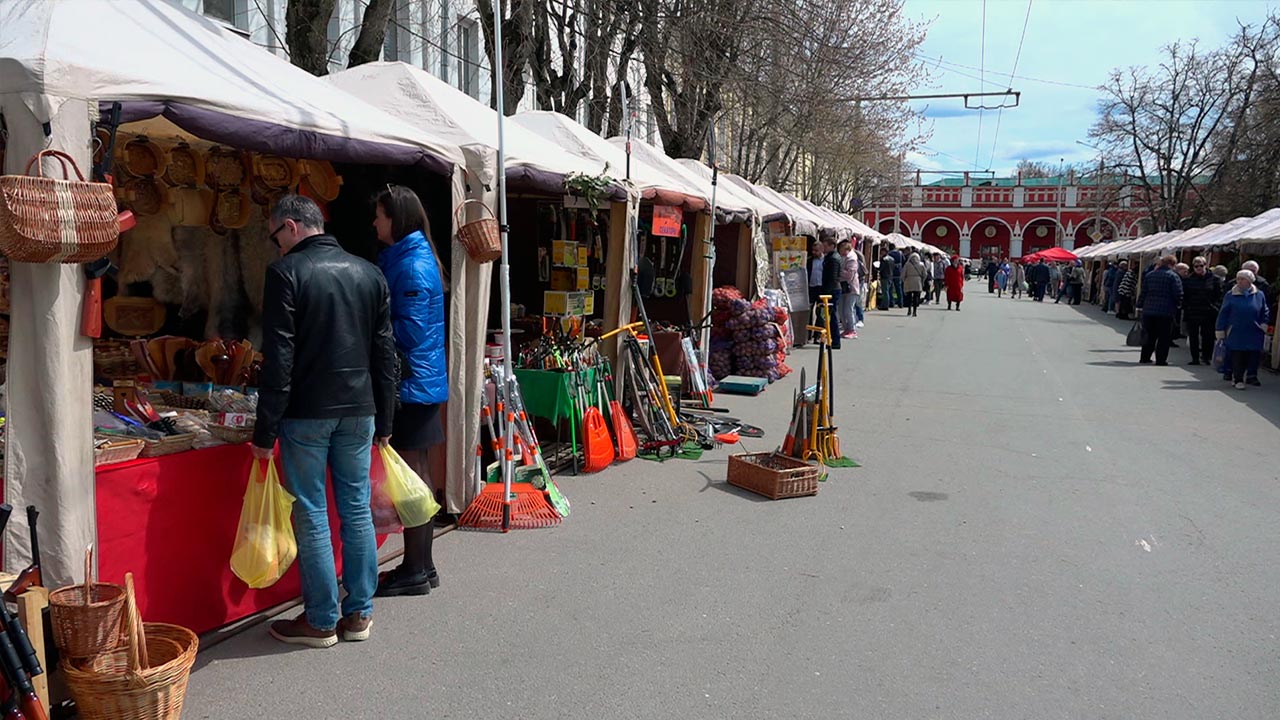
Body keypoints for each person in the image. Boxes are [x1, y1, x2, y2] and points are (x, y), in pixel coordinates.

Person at [254, 195, 397, 647]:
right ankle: (358, 614)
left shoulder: (286, 273)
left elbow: (279, 357)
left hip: (307, 412)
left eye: (275, 236)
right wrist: (387, 417)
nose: (275, 246)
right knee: (354, 509)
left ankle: (320, 619)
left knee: (312, 512)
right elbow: (385, 353)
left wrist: (265, 429)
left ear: (292, 227)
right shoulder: (368, 272)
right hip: (359, 409)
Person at [373, 186, 448, 597]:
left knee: (413, 477)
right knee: (415, 473)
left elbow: (411, 331)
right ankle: (420, 566)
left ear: (396, 219)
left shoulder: (414, 265)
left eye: (380, 216)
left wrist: (370, 329)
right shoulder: (407, 258)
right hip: (418, 381)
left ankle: (416, 569)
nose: (374, 223)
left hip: (412, 385)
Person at [1217, 269, 1270, 388]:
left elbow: (1264, 310)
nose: (1239, 281)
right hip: (1236, 330)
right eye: (1238, 279)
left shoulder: (1259, 294)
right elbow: (1223, 313)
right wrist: (1220, 329)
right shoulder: (1231, 295)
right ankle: (1238, 379)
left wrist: (1264, 323)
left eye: (1242, 279)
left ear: (1250, 281)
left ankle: (1251, 376)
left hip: (1254, 330)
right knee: (1237, 354)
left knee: (1252, 354)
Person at [1136, 255, 1183, 366]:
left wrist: (1140, 305)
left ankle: (1145, 357)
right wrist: (1178, 305)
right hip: (1166, 311)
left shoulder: (1150, 275)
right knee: (1164, 337)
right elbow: (1178, 293)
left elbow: (1144, 292)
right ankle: (1161, 360)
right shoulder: (1173, 276)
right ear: (1172, 264)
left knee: (1149, 335)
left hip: (1149, 310)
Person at [1181, 256, 1223, 366]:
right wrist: (1186, 306)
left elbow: (1219, 295)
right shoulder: (1189, 279)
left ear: (1205, 265)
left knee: (1208, 335)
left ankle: (1206, 357)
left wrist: (1214, 307)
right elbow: (1184, 295)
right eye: (1196, 266)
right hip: (1193, 311)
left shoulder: (1214, 279)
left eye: (1201, 265)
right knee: (1193, 336)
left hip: (1208, 312)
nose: (1198, 268)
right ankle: (1195, 358)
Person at [820, 239, 843, 348]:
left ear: (832, 246)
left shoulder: (833, 259)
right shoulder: (831, 257)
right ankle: (832, 338)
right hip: (832, 289)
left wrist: (826, 292)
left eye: (825, 246)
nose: (823, 248)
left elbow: (833, 278)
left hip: (832, 290)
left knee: (832, 315)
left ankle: (835, 340)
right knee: (831, 315)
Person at [837, 241, 861, 338]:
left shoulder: (851, 259)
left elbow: (850, 275)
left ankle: (852, 329)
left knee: (848, 309)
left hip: (851, 287)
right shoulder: (844, 257)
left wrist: (838, 271)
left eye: (841, 249)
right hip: (844, 286)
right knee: (842, 309)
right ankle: (846, 328)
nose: (839, 251)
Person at [807, 240, 825, 339]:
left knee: (820, 312)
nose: (814, 252)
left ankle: (818, 335)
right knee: (809, 311)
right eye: (813, 250)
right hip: (811, 288)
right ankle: (808, 334)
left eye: (816, 250)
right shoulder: (809, 261)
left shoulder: (825, 261)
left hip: (821, 288)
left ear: (822, 250)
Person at [901, 251, 927, 317]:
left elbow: (903, 274)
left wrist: (904, 280)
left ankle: (909, 310)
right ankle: (915, 311)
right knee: (916, 297)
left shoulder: (907, 264)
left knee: (909, 297)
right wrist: (922, 280)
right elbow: (925, 274)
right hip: (917, 281)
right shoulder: (921, 264)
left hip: (909, 281)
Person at [888, 243, 905, 308]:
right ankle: (901, 303)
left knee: (890, 289)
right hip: (899, 272)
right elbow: (903, 261)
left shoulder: (889, 254)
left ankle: (891, 302)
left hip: (891, 272)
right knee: (899, 288)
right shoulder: (900, 253)